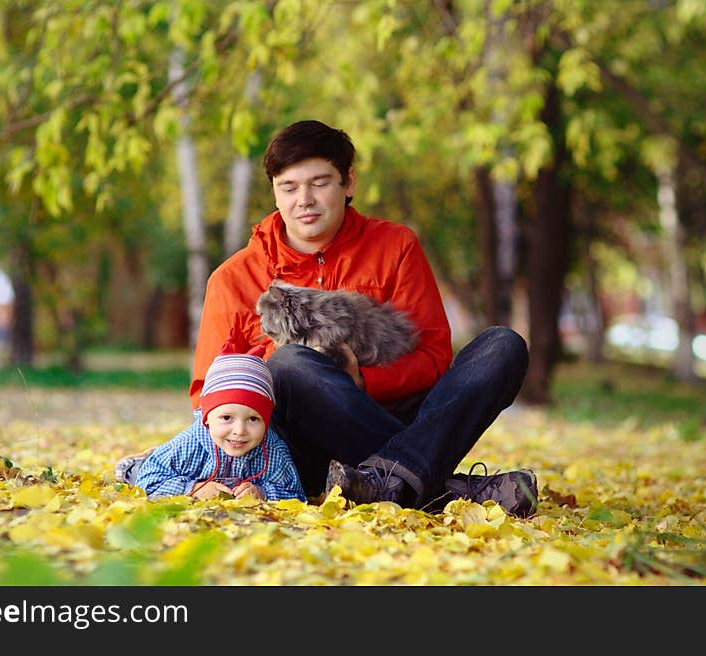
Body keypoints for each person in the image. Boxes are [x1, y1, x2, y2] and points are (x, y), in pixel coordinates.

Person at [190, 119, 537, 517]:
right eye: (289, 187)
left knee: (503, 346)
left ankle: (384, 480)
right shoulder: (234, 277)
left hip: (395, 414)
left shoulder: (395, 245)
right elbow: (207, 394)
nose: (303, 199)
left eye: (319, 183)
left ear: (348, 183)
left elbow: (434, 358)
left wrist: (363, 379)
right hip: (300, 447)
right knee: (289, 364)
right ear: (275, 192)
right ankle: (432, 483)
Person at [129, 329, 307, 502]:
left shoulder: (273, 451)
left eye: (253, 419)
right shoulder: (188, 444)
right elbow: (148, 482)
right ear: (207, 417)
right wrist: (193, 489)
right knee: (137, 472)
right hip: (168, 472)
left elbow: (296, 494)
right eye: (227, 418)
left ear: (266, 421)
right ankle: (135, 463)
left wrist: (263, 492)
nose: (239, 431)